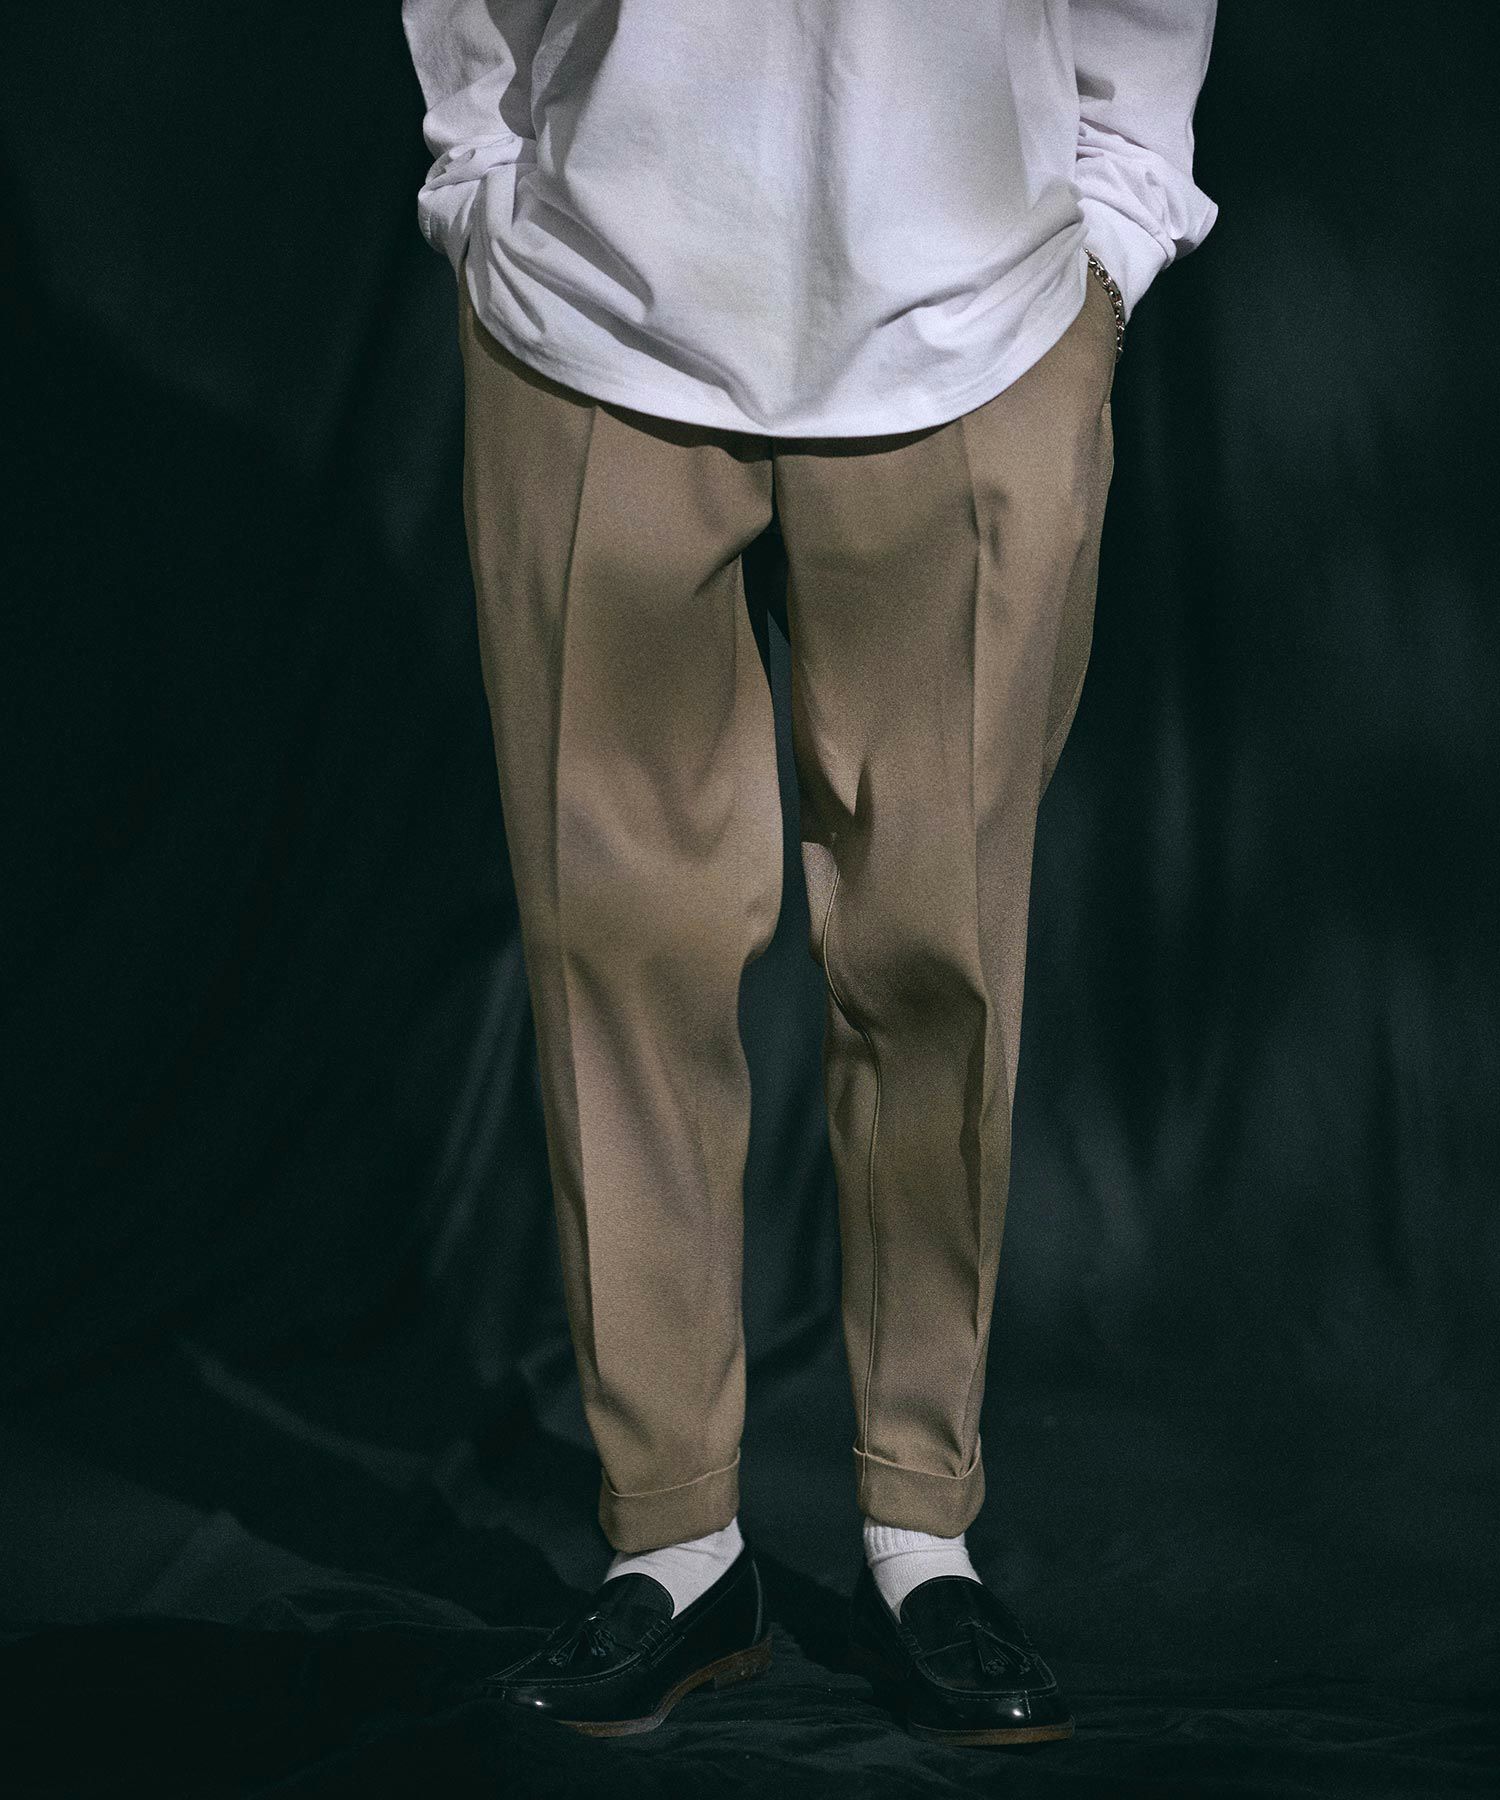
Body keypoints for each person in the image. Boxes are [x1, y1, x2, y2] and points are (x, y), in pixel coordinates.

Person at [400, 0, 1218, 1747]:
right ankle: (675, 1549)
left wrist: (1123, 213)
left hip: (978, 321)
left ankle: (923, 1533)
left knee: (937, 957)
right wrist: (479, 175)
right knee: (617, 953)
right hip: (591, 314)